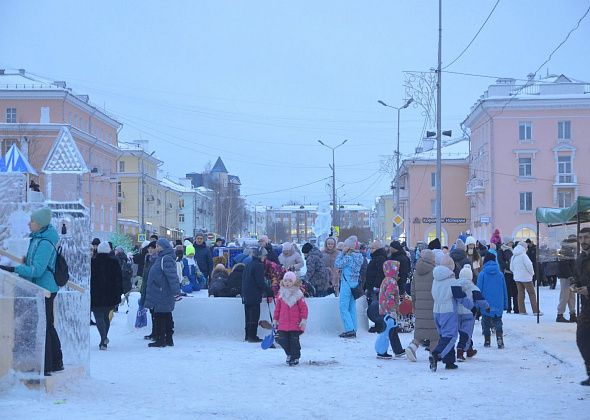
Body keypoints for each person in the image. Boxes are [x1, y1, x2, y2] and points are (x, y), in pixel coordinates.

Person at [0, 207, 63, 376]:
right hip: (39, 288)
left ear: (40, 224)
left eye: (32, 221)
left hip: (45, 289)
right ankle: (56, 362)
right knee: (47, 324)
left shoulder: (44, 242)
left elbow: (37, 271)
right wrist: (23, 262)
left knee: (44, 326)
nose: (29, 223)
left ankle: (48, 366)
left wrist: (14, 269)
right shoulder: (36, 239)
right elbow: (32, 264)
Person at [429, 254, 474, 371]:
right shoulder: (452, 281)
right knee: (450, 336)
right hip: (448, 311)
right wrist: (472, 307)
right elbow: (461, 297)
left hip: (436, 310)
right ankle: (437, 354)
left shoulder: (435, 279)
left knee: (444, 336)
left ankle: (449, 362)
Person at [144, 239, 181, 348]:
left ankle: (161, 340)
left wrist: (176, 292)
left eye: (158, 246)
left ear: (163, 247)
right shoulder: (161, 258)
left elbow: (172, 277)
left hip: (162, 293)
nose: (156, 247)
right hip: (160, 292)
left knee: (160, 316)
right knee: (165, 315)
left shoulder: (166, 259)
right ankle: (168, 339)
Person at [406, 249, 438, 362]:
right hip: (433, 306)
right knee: (434, 333)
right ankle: (433, 354)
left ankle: (412, 347)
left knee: (420, 330)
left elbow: (412, 291)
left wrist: (414, 304)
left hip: (419, 305)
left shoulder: (416, 272)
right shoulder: (435, 272)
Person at [91, 242, 123, 350]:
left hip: (96, 294)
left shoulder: (92, 262)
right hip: (110, 294)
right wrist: (119, 293)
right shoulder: (114, 262)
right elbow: (119, 279)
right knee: (105, 317)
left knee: (98, 316)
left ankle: (103, 338)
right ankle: (103, 340)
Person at [273, 271, 309, 366]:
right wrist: (275, 319)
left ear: (294, 282)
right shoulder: (281, 295)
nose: (287, 283)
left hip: (295, 323)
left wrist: (303, 319)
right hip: (283, 324)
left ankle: (295, 356)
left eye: (290, 280)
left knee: (294, 341)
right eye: (285, 280)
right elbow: (277, 309)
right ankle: (289, 354)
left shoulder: (298, 294)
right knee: (282, 339)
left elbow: (304, 308)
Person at [456, 263, 489, 360]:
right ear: (470, 276)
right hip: (469, 313)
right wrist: (487, 306)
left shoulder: (454, 285)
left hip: (456, 313)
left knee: (463, 332)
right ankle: (460, 351)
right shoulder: (473, 287)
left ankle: (469, 350)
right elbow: (480, 299)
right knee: (466, 332)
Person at [334, 236, 364, 338]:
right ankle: (354, 328)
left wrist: (342, 253)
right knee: (352, 307)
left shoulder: (348, 257)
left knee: (343, 307)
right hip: (354, 284)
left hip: (346, 284)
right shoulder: (360, 257)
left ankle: (349, 329)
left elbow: (337, 264)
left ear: (349, 247)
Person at [376, 260, 406, 359]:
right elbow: (389, 296)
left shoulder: (385, 279)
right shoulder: (392, 282)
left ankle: (398, 350)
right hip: (389, 311)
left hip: (383, 309)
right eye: (397, 270)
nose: (398, 272)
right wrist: (392, 310)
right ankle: (382, 351)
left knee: (392, 331)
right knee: (388, 332)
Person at [477, 253, 508, 349]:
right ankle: (499, 339)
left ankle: (487, 340)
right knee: (498, 320)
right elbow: (504, 290)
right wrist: (505, 304)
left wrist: (478, 305)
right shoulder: (500, 274)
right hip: (498, 302)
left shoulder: (482, 274)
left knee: (485, 321)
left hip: (486, 303)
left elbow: (478, 290)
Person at [573, 227, 590, 386]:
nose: (583, 241)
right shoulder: (580, 258)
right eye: (581, 238)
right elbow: (577, 277)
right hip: (586, 306)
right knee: (582, 339)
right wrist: (574, 285)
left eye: (586, 237)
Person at [242, 247, 269, 342]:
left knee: (248, 316)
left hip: (246, 294)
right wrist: (268, 290)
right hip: (254, 294)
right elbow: (260, 282)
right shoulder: (259, 265)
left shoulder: (249, 264)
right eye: (264, 255)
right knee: (254, 316)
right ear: (260, 255)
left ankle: (247, 335)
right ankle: (252, 336)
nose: (265, 257)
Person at [510, 242, 541, 315]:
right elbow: (529, 266)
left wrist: (516, 272)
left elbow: (511, 268)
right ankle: (535, 311)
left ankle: (522, 310)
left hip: (517, 278)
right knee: (532, 294)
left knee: (520, 294)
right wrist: (532, 273)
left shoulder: (513, 256)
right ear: (524, 247)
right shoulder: (524, 255)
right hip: (526, 278)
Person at [556, 236, 577, 323]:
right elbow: (565, 265)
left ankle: (572, 314)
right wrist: (570, 276)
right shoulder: (566, 251)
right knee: (565, 296)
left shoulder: (570, 250)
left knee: (571, 296)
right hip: (566, 277)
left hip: (570, 276)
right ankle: (560, 314)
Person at [498, 238, 518, 314]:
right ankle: (509, 307)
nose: (512, 243)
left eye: (512, 242)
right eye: (510, 242)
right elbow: (501, 261)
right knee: (508, 292)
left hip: (514, 273)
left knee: (515, 292)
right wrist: (509, 266)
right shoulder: (502, 250)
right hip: (507, 273)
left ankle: (516, 308)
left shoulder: (513, 250)